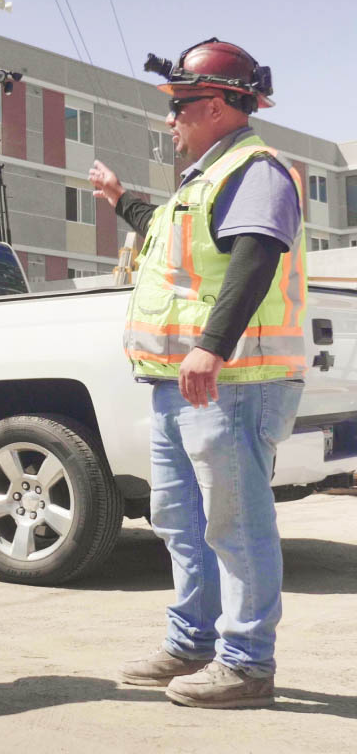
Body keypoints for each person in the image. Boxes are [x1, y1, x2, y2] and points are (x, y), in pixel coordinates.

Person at [89, 38, 306, 709]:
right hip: (178, 385)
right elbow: (162, 232)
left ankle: (246, 662)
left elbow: (256, 254)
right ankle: (193, 643)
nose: (170, 120)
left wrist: (212, 345)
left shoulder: (256, 168)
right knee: (181, 519)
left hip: (233, 382)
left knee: (235, 525)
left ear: (214, 106)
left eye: (179, 106)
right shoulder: (204, 181)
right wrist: (121, 199)